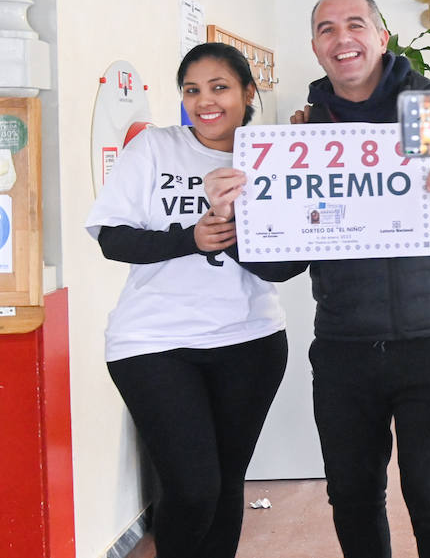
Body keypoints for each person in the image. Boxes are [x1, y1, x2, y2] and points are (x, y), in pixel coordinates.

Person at [206, 0, 430, 558]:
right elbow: (280, 263)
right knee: (351, 494)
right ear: (315, 47)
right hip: (344, 344)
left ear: (381, 37)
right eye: (327, 29)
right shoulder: (299, 133)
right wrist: (236, 222)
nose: (342, 38)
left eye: (355, 24)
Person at [85, 42, 287, 558]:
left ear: (248, 92)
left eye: (219, 87)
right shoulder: (154, 148)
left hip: (250, 338)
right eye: (192, 90)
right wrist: (189, 238)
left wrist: (234, 232)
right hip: (152, 341)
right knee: (193, 488)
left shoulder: (272, 158)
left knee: (224, 486)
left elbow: (285, 267)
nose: (205, 101)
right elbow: (113, 237)